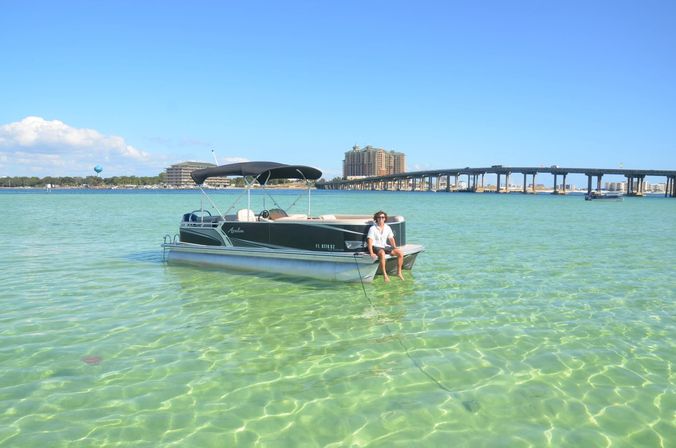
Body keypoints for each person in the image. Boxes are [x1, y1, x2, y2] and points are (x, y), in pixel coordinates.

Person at [367, 210, 404, 281]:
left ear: (385, 218)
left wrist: (395, 247)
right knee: (382, 253)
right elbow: (370, 241)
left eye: (382, 217)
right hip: (376, 246)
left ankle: (399, 273)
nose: (381, 219)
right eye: (379, 217)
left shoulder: (387, 227)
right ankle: (385, 275)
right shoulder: (372, 228)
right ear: (376, 218)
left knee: (400, 253)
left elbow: (391, 238)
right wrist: (371, 252)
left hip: (384, 246)